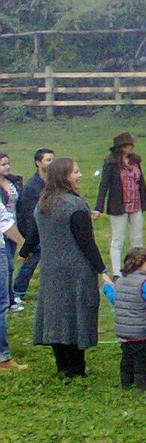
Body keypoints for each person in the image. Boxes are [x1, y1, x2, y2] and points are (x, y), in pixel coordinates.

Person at [20, 158, 112, 378]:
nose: (79, 175)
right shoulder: (75, 205)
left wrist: (25, 251)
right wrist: (102, 270)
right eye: (76, 172)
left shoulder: (44, 201)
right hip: (76, 269)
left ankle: (62, 366)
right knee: (76, 315)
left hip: (52, 269)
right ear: (65, 176)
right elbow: (86, 242)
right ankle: (76, 368)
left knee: (56, 315)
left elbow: (35, 232)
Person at [102, 247, 146, 391]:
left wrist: (106, 287)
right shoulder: (145, 283)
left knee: (127, 356)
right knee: (140, 358)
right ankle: (142, 386)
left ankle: (126, 383)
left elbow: (114, 298)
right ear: (141, 263)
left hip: (123, 330)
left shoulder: (121, 280)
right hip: (140, 331)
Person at [95, 132, 146, 278]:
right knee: (118, 239)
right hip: (118, 205)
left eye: (131, 145)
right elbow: (104, 185)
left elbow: (142, 184)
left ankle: (138, 267)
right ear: (120, 148)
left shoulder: (135, 161)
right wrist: (99, 207)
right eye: (127, 145)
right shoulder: (111, 163)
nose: (131, 148)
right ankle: (116, 272)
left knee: (138, 238)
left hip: (136, 204)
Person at [12, 147, 54, 311]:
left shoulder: (51, 181)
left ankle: (45, 290)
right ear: (38, 163)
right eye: (48, 160)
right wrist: (31, 239)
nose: (51, 163)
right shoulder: (31, 187)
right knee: (33, 259)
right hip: (36, 231)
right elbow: (28, 215)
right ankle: (18, 290)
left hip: (50, 228)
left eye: (53, 159)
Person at [0, 152, 22, 310]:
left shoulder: (14, 182)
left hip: (14, 225)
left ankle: (10, 295)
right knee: (6, 263)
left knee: (11, 264)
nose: (7, 167)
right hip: (3, 229)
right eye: (3, 164)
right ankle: (9, 299)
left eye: (8, 163)